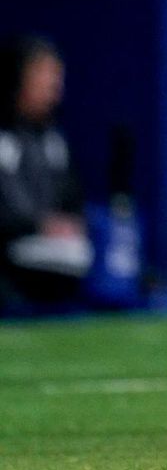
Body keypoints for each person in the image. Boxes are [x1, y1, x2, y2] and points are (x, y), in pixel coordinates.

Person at [0, 38, 89, 312]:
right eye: (41, 75)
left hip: (50, 247)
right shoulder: (5, 138)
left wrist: (68, 224)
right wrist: (39, 225)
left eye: (55, 77)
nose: (52, 87)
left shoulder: (53, 140)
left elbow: (72, 198)